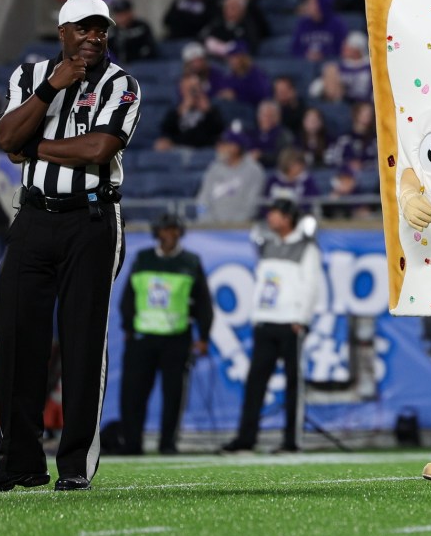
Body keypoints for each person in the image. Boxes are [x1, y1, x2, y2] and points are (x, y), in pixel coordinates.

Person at [0, 0, 140, 493]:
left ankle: (74, 464)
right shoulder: (29, 78)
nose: (95, 37)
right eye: (85, 29)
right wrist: (51, 88)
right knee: (18, 334)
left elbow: (99, 147)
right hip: (33, 216)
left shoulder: (121, 83)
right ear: (63, 32)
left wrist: (36, 147)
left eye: (102, 29)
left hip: (91, 219)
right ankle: (20, 459)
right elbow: (5, 137)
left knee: (83, 340)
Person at [220, 199, 321, 453]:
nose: (270, 219)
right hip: (266, 322)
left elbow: (311, 285)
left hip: (291, 324)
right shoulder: (268, 245)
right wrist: (256, 315)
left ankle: (292, 441)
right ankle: (246, 438)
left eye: (275, 214)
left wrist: (302, 318)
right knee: (255, 383)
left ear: (288, 218)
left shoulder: (306, 248)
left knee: (292, 383)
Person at [119, 213, 213, 455]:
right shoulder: (143, 258)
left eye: (173, 230)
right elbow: (128, 298)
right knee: (133, 394)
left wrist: (203, 336)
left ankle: (167, 444)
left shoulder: (191, 261)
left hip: (176, 337)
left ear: (179, 232)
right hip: (142, 338)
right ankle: (132, 445)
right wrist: (129, 329)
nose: (169, 235)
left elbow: (203, 303)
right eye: (165, 230)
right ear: (157, 233)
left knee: (173, 395)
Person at [195, 130, 266, 225]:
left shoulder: (254, 171)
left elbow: (252, 206)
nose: (219, 147)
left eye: (224, 144)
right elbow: (202, 200)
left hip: (240, 229)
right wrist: (208, 222)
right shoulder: (213, 168)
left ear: (236, 147)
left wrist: (231, 227)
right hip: (211, 229)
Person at [155, 73, 224, 150]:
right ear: (181, 90)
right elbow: (165, 131)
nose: (191, 92)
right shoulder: (175, 110)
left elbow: (219, 130)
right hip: (179, 149)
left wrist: (208, 111)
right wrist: (180, 111)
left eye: (194, 88)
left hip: (205, 148)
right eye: (187, 88)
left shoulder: (211, 108)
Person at [107, 0, 157, 64]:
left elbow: (151, 47)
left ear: (130, 13)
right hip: (125, 68)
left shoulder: (141, 26)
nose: (122, 18)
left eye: (124, 14)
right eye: (118, 15)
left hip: (148, 62)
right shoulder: (112, 33)